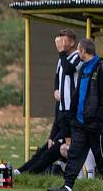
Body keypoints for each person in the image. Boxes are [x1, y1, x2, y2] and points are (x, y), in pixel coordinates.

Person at [48, 38, 103, 191]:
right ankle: (67, 187)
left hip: (96, 124)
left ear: (84, 51)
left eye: (79, 50)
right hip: (80, 122)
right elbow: (78, 94)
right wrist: (73, 117)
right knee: (74, 154)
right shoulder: (84, 68)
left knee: (101, 156)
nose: (78, 53)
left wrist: (99, 121)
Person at [14, 29, 79, 176]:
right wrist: (56, 89)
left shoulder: (76, 57)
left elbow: (69, 70)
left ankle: (30, 173)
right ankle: (22, 171)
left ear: (72, 42)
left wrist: (61, 52)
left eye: (64, 40)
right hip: (62, 110)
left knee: (53, 149)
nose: (60, 43)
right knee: (47, 146)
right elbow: (58, 76)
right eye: (59, 40)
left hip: (72, 111)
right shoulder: (61, 59)